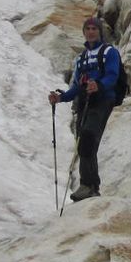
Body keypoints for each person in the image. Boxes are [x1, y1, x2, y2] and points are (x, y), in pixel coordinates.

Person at [48, 16, 121, 202]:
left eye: (94, 29)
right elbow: (75, 87)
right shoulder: (81, 59)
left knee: (88, 138)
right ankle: (87, 185)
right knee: (83, 142)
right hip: (85, 102)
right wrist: (61, 97)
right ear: (84, 32)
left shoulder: (109, 52)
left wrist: (99, 85)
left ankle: (90, 186)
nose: (90, 32)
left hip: (103, 100)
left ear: (99, 31)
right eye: (87, 28)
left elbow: (113, 75)